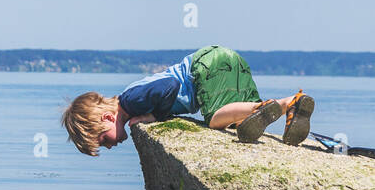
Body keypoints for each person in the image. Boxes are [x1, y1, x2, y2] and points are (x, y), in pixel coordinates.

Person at [61, 44, 313, 156]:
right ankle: (293, 103)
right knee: (238, 121)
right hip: (224, 60)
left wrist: (156, 116)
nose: (108, 146)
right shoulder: (131, 97)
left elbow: (168, 86)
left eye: (103, 140)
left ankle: (275, 106)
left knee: (215, 119)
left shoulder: (130, 101)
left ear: (107, 117)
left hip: (204, 69)